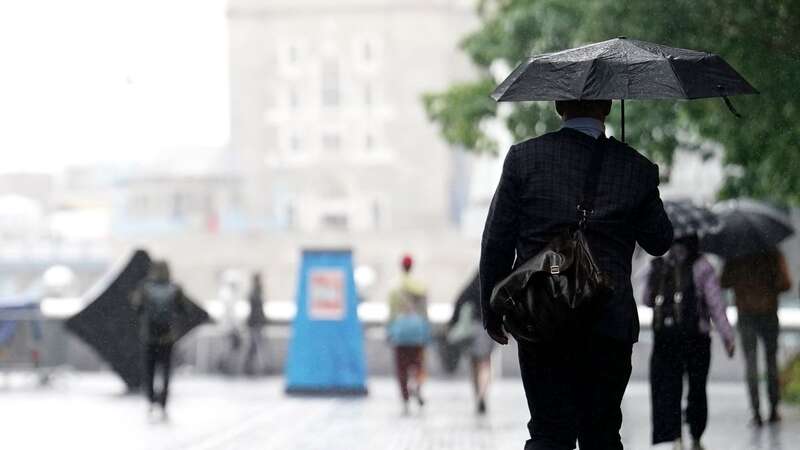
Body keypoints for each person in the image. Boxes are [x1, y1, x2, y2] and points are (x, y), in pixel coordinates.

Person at [479, 99, 673, 449]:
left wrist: (492, 309)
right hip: (609, 323)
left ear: (558, 106)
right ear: (610, 107)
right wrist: (638, 188)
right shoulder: (636, 168)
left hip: (542, 317)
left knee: (548, 432)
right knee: (602, 434)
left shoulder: (524, 158)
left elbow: (497, 240)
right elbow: (660, 241)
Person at [643, 236, 736, 450]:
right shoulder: (702, 266)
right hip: (697, 337)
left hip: (666, 337)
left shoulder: (661, 262)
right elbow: (715, 305)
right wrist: (728, 337)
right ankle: (695, 433)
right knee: (697, 387)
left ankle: (675, 437)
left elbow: (647, 299)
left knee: (670, 386)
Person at [720, 249, 792, 426]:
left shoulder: (736, 254)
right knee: (771, 360)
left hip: (746, 313)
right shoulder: (772, 253)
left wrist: (742, 281)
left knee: (751, 361)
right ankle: (774, 408)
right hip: (768, 311)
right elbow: (785, 283)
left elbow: (724, 282)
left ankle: (756, 411)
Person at [130, 260, 189, 418]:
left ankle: (150, 401)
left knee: (149, 371)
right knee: (166, 371)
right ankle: (163, 403)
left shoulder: (145, 287)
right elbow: (183, 309)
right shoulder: (175, 288)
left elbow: (137, 308)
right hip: (167, 337)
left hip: (149, 337)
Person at [387, 254, 430, 414]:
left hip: (400, 333)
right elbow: (425, 313)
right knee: (418, 364)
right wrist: (426, 332)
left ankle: (405, 397)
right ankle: (417, 385)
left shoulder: (394, 288)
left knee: (401, 367)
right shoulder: (420, 285)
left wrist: (389, 331)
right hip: (417, 332)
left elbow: (391, 314)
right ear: (412, 266)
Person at [447, 273, 494, 414]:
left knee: (474, 364)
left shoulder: (471, 287)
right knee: (485, 363)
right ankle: (482, 395)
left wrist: (452, 323)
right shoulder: (490, 285)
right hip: (486, 328)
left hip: (471, 330)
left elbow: (459, 302)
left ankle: (476, 397)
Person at [243, 272, 268, 375]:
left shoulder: (254, 293)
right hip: (256, 323)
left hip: (255, 322)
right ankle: (253, 367)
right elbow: (257, 310)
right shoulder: (255, 293)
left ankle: (249, 367)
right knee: (256, 345)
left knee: (254, 345)